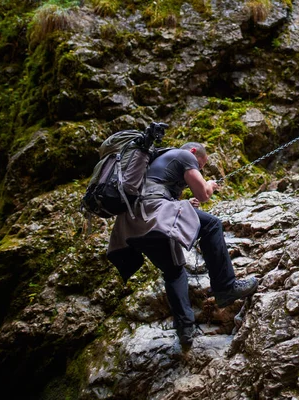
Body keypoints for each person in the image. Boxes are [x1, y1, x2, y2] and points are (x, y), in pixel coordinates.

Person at [106, 142, 258, 346]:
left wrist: (180, 202)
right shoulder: (184, 155)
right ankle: (225, 287)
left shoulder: (154, 165)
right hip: (153, 213)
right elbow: (202, 194)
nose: (199, 168)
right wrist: (209, 185)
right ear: (194, 152)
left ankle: (185, 330)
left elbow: (158, 191)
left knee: (174, 269)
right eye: (200, 165)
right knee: (212, 225)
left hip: (130, 226)